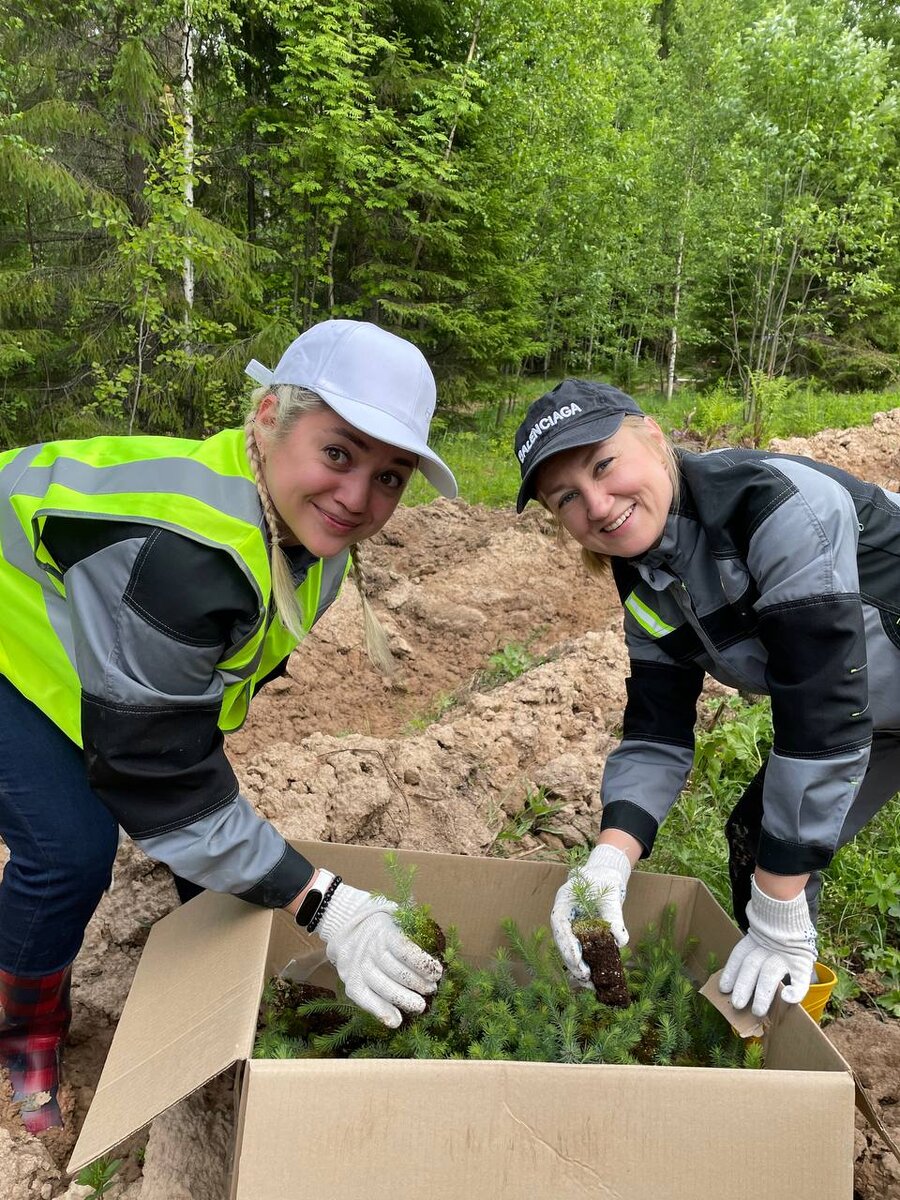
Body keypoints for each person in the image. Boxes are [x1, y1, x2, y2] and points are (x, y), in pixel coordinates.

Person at [0, 319, 457, 1132]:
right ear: (267, 417)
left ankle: (212, 981)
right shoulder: (187, 554)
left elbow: (185, 719)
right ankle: (23, 1033)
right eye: (339, 454)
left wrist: (225, 858)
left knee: (199, 828)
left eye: (391, 478)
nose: (359, 498)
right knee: (67, 848)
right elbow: (150, 770)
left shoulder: (308, 525)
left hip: (78, 633)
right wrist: (317, 901)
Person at [513, 378, 900, 1022]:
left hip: (854, 707)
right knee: (760, 840)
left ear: (656, 439)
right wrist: (609, 858)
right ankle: (782, 1029)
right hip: (878, 717)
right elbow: (655, 733)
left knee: (778, 880)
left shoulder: (770, 506)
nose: (599, 504)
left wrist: (778, 903)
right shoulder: (649, 580)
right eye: (567, 498)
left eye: (604, 465)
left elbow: (822, 705)